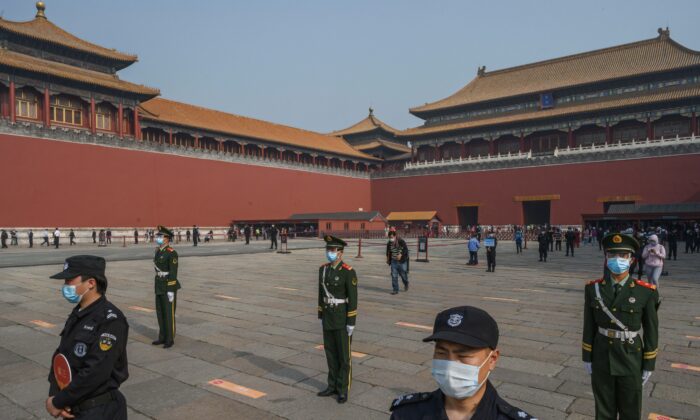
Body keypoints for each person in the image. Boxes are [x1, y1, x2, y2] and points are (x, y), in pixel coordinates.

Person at [390, 306, 534, 420]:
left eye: (464, 355)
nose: (450, 364)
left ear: (492, 359)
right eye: (441, 353)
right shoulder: (406, 413)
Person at [582, 233, 659, 420]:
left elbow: (651, 330)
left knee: (630, 410)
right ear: (606, 258)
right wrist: (587, 356)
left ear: (632, 260)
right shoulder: (593, 289)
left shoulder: (645, 292)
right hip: (602, 356)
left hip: (630, 357)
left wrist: (649, 362)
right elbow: (589, 325)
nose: (617, 260)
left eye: (623, 256)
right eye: (612, 255)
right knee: (603, 410)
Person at [46, 255, 129, 419]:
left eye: (69, 280)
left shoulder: (111, 321)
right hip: (72, 407)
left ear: (91, 283)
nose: (65, 286)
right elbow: (61, 355)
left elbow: (96, 371)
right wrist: (55, 394)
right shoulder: (79, 313)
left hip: (98, 410)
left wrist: (58, 402)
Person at [317, 235, 358, 404]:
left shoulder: (348, 272)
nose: (329, 253)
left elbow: (353, 298)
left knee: (343, 356)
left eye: (332, 250)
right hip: (328, 316)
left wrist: (351, 322)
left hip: (341, 318)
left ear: (340, 253)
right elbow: (320, 294)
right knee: (330, 353)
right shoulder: (323, 269)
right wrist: (320, 314)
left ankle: (342, 389)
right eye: (328, 250)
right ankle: (332, 385)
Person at [152, 226, 181, 348]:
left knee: (168, 313)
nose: (158, 238)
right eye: (157, 236)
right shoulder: (158, 251)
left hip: (168, 285)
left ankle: (170, 339)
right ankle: (162, 337)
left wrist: (170, 290)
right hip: (159, 284)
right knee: (160, 312)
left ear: (167, 239)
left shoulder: (172, 253)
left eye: (160, 236)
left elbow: (173, 272)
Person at [386, 230, 409, 294]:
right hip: (394, 261)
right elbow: (388, 252)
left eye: (392, 237)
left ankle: (406, 283)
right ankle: (395, 289)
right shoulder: (389, 243)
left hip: (402, 261)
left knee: (403, 275)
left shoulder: (401, 241)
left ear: (395, 236)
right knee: (394, 275)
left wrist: (400, 254)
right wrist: (388, 259)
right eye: (390, 237)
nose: (391, 238)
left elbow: (406, 250)